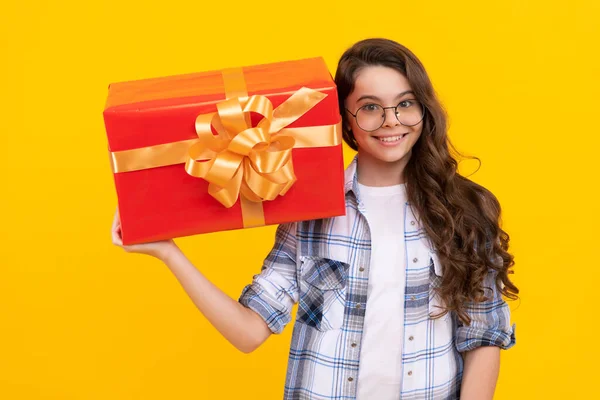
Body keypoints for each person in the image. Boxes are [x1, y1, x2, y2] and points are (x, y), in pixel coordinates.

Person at [111, 38, 518, 400]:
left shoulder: (464, 210)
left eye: (405, 103)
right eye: (370, 108)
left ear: (423, 109)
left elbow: (482, 337)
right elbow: (249, 332)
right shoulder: (308, 215)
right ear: (345, 121)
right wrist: (168, 253)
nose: (391, 120)